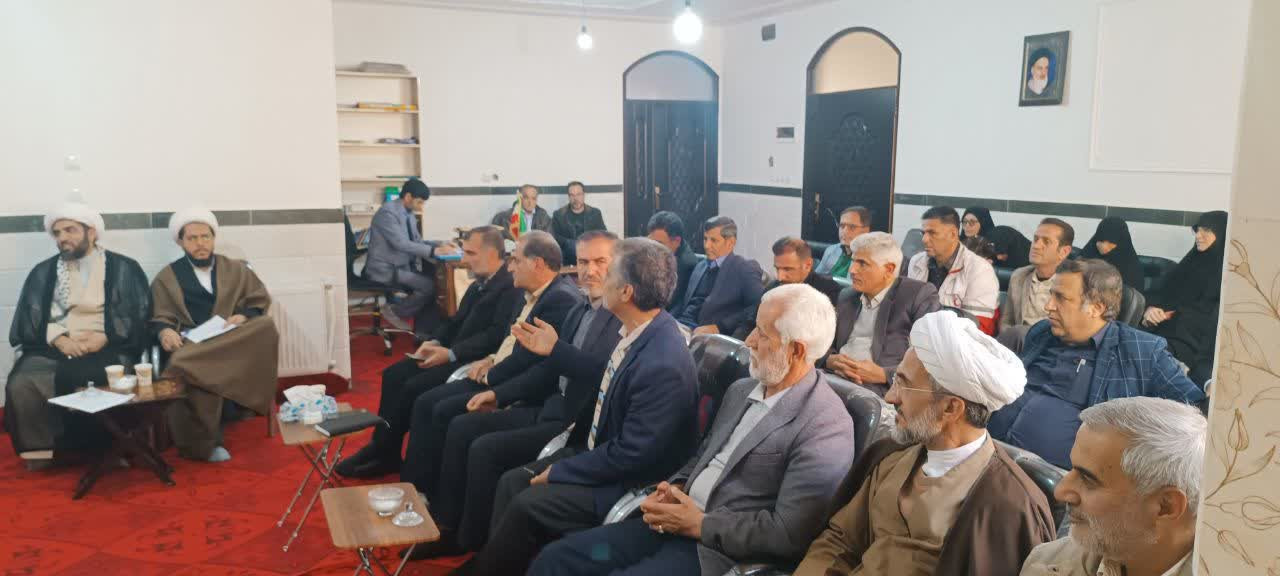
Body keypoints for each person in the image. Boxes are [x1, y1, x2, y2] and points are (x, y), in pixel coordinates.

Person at [529, 284, 855, 576]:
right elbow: (703, 455)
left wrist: (701, 524)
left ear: (796, 350)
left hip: (715, 551)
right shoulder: (742, 389)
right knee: (557, 559)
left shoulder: (825, 425)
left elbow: (788, 533)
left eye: (762, 333)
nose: (749, 341)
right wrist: (676, 486)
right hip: (672, 523)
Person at [453, 238, 698, 576]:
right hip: (599, 453)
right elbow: (604, 383)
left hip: (628, 483)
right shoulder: (641, 331)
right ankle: (487, 564)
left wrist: (561, 471)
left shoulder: (662, 361)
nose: (598, 277)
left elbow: (632, 455)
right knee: (513, 482)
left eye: (608, 272)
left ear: (626, 292)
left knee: (526, 503)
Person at [400, 231, 624, 559]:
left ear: (618, 265)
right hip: (550, 405)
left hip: (573, 424)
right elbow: (548, 369)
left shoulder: (617, 317)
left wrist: (502, 389)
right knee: (464, 426)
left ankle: (473, 543)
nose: (589, 271)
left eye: (600, 262)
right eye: (583, 262)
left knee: (483, 447)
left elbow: (604, 376)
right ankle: (452, 527)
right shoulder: (581, 308)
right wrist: (499, 395)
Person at [796, 310, 1055, 576]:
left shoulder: (1010, 506)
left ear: (951, 408)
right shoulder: (890, 456)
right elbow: (838, 541)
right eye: (895, 380)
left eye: (904, 385)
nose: (890, 398)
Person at [394, 231, 584, 491]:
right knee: (428, 402)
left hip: (517, 387)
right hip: (498, 370)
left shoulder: (561, 299)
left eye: (516, 260)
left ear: (537, 264)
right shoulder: (529, 292)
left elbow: (534, 362)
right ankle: (418, 487)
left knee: (444, 412)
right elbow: (508, 343)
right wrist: (490, 359)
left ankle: (430, 495)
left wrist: (493, 381)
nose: (510, 266)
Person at [335, 227, 524, 478]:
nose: (464, 260)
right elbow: (455, 321)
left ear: (491, 254)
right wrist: (435, 341)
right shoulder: (481, 282)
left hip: (471, 360)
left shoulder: (510, 287)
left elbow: (494, 337)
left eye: (470, 253)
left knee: (413, 387)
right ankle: (382, 448)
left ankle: (397, 457)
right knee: (393, 375)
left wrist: (451, 353)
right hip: (453, 351)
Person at [987, 259, 1206, 470]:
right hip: (991, 453)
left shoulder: (1141, 351)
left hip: (1052, 478)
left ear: (1096, 307)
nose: (1048, 306)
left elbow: (1197, 412)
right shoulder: (1041, 332)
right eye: (1051, 295)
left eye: (1060, 298)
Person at [6, 201, 151, 463]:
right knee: (22, 381)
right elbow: (33, 315)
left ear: (91, 232)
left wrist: (106, 336)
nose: (62, 238)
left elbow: (138, 313)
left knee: (95, 375)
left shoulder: (123, 268)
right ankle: (43, 451)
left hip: (110, 344)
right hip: (58, 346)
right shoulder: (44, 271)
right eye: (57, 233)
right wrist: (59, 339)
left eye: (70, 230)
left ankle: (109, 448)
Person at [1020, 397, 1204, 576]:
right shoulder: (1048, 561)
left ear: (1166, 506)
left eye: (1087, 479)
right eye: (1072, 469)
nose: (1060, 491)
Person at [150, 208, 279, 462]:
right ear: (181, 242)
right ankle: (203, 444)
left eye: (205, 237)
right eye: (192, 238)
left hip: (231, 339)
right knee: (184, 362)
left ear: (213, 238)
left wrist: (243, 315)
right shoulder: (167, 277)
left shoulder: (235, 268)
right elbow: (160, 315)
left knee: (265, 325)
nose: (200, 244)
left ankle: (234, 402)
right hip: (194, 343)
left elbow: (258, 300)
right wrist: (165, 330)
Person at [824, 232, 940, 396]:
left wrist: (884, 375)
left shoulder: (917, 295)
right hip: (834, 378)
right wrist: (830, 360)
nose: (852, 270)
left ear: (889, 269)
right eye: (853, 261)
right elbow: (822, 342)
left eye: (862, 263)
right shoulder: (847, 295)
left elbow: (931, 357)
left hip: (879, 389)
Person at [1141, 211, 1227, 386]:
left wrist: (1176, 315)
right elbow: (1162, 296)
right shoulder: (1189, 264)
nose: (1198, 236)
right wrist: (1151, 312)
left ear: (1221, 233)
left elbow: (1210, 321)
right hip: (1162, 334)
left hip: (1192, 346)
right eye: (1197, 230)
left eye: (1206, 230)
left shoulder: (1226, 277)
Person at [364, 178, 458, 338]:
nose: (421, 206)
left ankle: (423, 331)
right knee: (429, 286)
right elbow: (401, 244)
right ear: (408, 197)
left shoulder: (408, 213)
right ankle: (394, 311)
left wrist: (440, 244)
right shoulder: (388, 213)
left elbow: (416, 242)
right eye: (419, 202)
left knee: (435, 282)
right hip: (386, 269)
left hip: (402, 266)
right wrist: (434, 251)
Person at [906, 206, 1000, 335]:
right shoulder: (916, 262)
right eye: (923, 233)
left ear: (953, 234)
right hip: (916, 336)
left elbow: (978, 328)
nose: (924, 240)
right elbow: (906, 311)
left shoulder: (979, 269)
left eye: (932, 233)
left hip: (958, 344)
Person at [673, 216, 765, 336]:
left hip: (709, 335)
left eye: (714, 240)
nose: (707, 245)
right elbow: (686, 303)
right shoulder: (700, 266)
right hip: (682, 326)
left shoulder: (744, 268)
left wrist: (721, 327)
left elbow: (758, 307)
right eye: (705, 239)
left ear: (731, 242)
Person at [734, 237, 842, 339]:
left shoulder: (828, 291)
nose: (780, 277)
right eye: (777, 269)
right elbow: (749, 324)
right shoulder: (772, 287)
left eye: (787, 269)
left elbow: (822, 337)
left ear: (808, 265)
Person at [1000, 218, 1076, 349]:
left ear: (1064, 252)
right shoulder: (1019, 276)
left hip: (1052, 348)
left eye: (1046, 241)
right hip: (1016, 345)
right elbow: (1007, 321)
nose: (1036, 246)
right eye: (1035, 239)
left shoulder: (1074, 283)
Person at [646, 211, 700, 313]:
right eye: (651, 242)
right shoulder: (655, 252)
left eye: (659, 244)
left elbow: (672, 305)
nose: (653, 248)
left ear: (677, 241)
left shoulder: (686, 265)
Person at [1083, 217, 1144, 292]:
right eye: (1101, 240)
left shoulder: (1132, 271)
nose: (1104, 245)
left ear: (1121, 241)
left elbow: (1130, 296)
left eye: (1111, 241)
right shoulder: (1088, 255)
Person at [550, 181, 606, 262]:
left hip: (591, 257)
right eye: (572, 195)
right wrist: (569, 243)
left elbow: (603, 234)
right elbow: (554, 237)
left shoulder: (595, 213)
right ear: (568, 197)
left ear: (584, 195)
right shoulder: (559, 215)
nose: (575, 199)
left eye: (578, 194)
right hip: (567, 258)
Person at [815, 206, 872, 277]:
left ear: (866, 230)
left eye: (852, 227)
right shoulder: (831, 250)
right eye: (842, 226)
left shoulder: (873, 258)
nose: (844, 231)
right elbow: (816, 278)